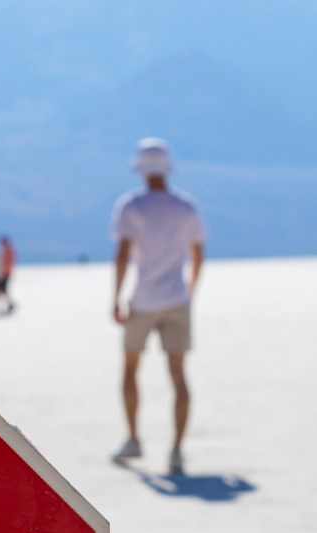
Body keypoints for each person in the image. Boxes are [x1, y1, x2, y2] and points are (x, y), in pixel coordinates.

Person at [110, 138, 205, 474]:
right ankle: (177, 449)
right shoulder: (186, 206)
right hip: (177, 299)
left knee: (131, 369)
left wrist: (116, 298)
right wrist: (191, 287)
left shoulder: (131, 206)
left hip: (143, 301)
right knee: (178, 375)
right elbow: (197, 251)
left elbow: (122, 253)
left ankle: (133, 437)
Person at [0, 235, 16, 314]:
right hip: (6, 272)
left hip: (5, 273)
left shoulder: (7, 250)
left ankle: (8, 305)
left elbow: (5, 262)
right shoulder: (8, 249)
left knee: (2, 290)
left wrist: (1, 271)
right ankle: (7, 305)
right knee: (2, 290)